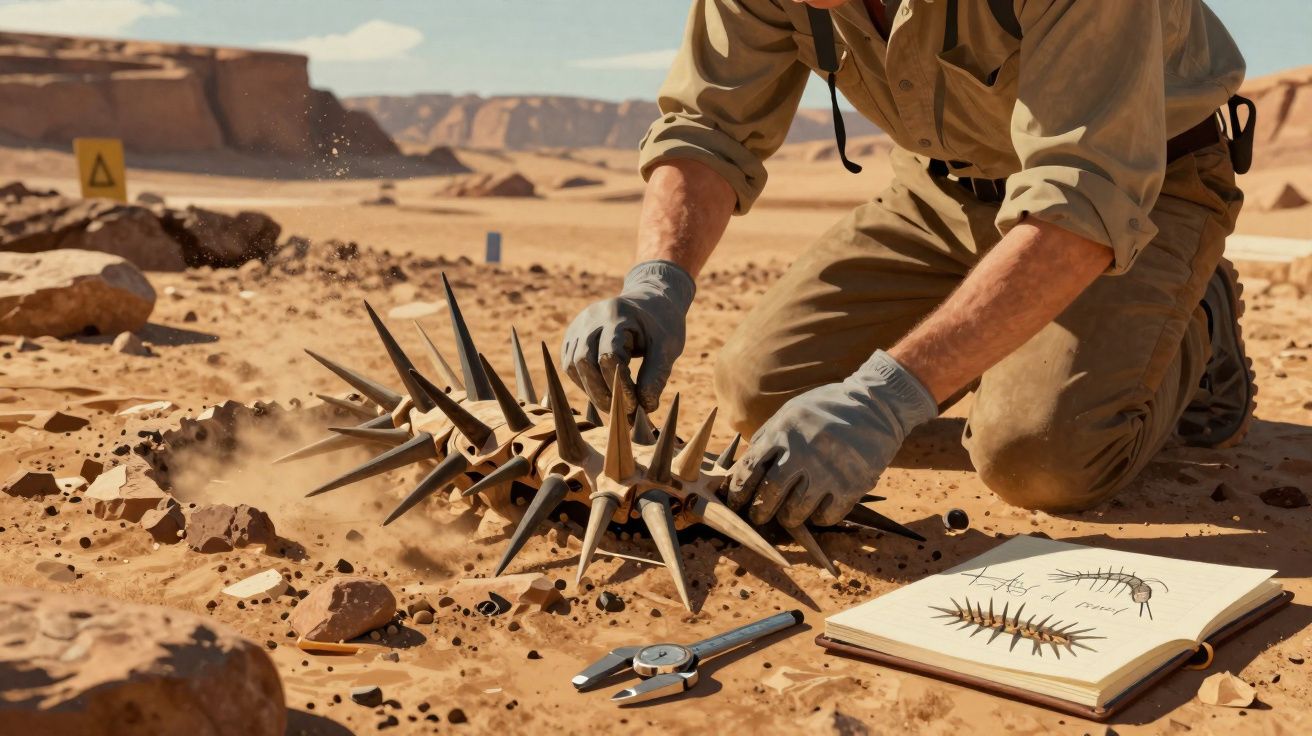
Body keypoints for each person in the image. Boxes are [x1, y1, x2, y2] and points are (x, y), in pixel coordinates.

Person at [560, 0, 1253, 531]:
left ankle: (1197, 315)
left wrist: (886, 398)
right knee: (759, 396)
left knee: (1039, 457)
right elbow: (708, 130)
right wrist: (657, 281)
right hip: (942, 190)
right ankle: (999, 327)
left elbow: (1083, 195)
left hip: (1142, 190)